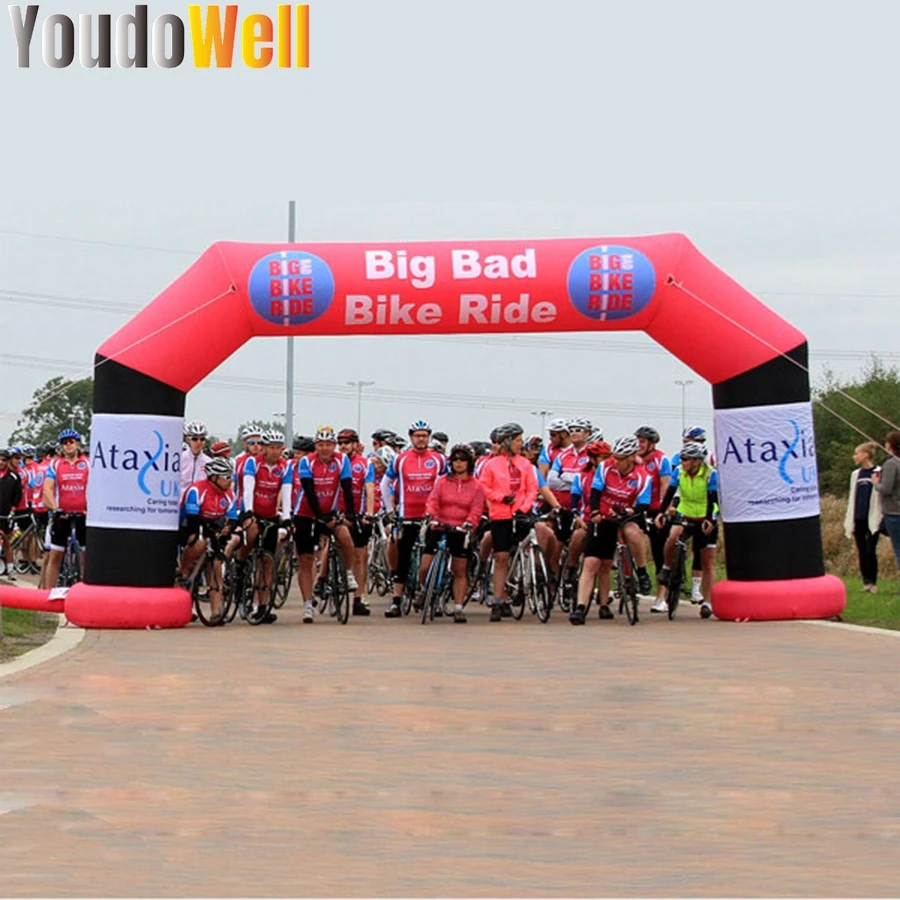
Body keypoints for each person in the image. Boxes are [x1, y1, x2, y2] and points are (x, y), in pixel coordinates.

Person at [568, 435, 651, 625]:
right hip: (604, 516)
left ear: (631, 457)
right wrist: (595, 512)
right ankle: (580, 607)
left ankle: (642, 571)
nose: (616, 462)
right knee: (592, 563)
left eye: (621, 459)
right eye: (616, 457)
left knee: (632, 532)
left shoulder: (642, 476)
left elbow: (644, 504)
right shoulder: (606, 468)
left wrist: (630, 510)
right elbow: (596, 492)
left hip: (627, 515)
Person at [292, 426, 359, 624]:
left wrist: (351, 515)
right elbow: (309, 492)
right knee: (306, 559)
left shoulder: (342, 460)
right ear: (316, 446)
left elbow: (347, 489)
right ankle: (307, 605)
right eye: (321, 445)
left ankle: (347, 573)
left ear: (334, 446)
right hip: (305, 512)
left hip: (330, 510)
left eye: (329, 445)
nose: (325, 449)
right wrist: (319, 516)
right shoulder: (306, 462)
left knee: (345, 536)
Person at [381, 420, 446, 618]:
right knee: (403, 557)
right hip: (407, 515)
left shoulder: (439, 460)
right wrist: (390, 511)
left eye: (425, 435)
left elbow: (447, 485)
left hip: (431, 517)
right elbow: (385, 484)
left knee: (432, 556)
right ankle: (396, 601)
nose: (421, 439)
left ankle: (429, 596)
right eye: (418, 435)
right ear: (411, 437)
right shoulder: (400, 459)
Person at [478, 422, 539, 621]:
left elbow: (532, 488)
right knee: (501, 557)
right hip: (501, 514)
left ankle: (522, 585)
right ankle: (497, 599)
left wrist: (524, 506)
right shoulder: (491, 464)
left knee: (523, 550)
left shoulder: (525, 464)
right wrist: (500, 497)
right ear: (508, 441)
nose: (521, 444)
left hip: (521, 513)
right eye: (518, 440)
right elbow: (484, 487)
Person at [654, 441, 718, 618]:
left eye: (686, 459)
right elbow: (670, 492)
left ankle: (707, 602)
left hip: (706, 514)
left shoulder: (710, 474)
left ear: (697, 461)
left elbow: (713, 499)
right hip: (686, 512)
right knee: (673, 536)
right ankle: (667, 568)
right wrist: (661, 512)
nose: (682, 462)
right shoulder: (679, 471)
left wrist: (709, 519)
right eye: (681, 458)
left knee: (707, 561)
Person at [424, 443, 485, 622]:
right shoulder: (442, 481)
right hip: (439, 525)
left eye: (463, 459)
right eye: (455, 459)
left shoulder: (476, 486)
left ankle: (458, 606)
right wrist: (431, 515)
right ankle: (423, 591)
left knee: (459, 569)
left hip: (460, 528)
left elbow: (477, 508)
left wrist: (469, 523)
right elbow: (433, 501)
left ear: (469, 462)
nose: (458, 463)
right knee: (425, 565)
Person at [178, 457, 240, 621]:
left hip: (212, 530)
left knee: (216, 568)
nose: (230, 480)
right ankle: (184, 570)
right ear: (213, 478)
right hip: (189, 526)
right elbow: (192, 518)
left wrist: (228, 529)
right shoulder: (197, 490)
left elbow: (233, 519)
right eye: (226, 477)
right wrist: (213, 526)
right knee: (199, 543)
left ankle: (216, 612)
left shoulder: (229, 495)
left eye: (230, 476)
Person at [43, 428, 89, 589]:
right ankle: (47, 594)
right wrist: (55, 508)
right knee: (55, 555)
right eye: (64, 443)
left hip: (83, 515)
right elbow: (47, 488)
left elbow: (97, 487)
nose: (68, 446)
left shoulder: (88, 462)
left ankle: (85, 593)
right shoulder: (55, 464)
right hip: (62, 514)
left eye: (71, 442)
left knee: (85, 557)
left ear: (77, 443)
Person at [336, 427, 374, 616]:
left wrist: (369, 513)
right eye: (340, 443)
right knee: (332, 542)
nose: (343, 446)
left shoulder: (365, 464)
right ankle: (322, 578)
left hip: (357, 514)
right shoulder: (333, 462)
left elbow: (369, 490)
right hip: (337, 512)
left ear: (355, 445)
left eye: (347, 443)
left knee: (360, 556)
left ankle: (358, 598)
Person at [844, 442, 882, 593]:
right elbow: (853, 496)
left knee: (870, 550)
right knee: (861, 549)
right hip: (858, 517)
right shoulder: (855, 474)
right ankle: (866, 581)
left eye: (857, 453)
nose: (854, 456)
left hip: (872, 517)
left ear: (865, 455)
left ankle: (873, 581)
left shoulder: (878, 471)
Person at [873, 431, 900, 578]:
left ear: (890, 445)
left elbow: (886, 488)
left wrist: (876, 483)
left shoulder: (891, 464)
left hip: (894, 513)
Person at [0, 449, 23, 579]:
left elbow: (17, 496)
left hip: (6, 514)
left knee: (7, 541)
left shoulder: (14, 477)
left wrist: (12, 511)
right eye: (0, 459)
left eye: (4, 460)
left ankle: (10, 568)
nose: (1, 462)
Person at [180, 420, 211, 499]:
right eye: (195, 439)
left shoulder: (209, 462)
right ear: (188, 440)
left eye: (202, 439)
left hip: (200, 502)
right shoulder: (180, 458)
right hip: (181, 502)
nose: (199, 442)